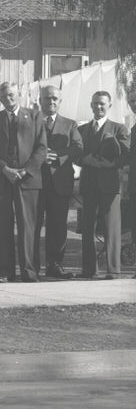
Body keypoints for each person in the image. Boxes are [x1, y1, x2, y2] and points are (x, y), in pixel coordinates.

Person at [0, 81, 44, 283]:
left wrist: (26, 170)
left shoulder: (34, 116)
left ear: (19, 95)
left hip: (27, 179)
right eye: (5, 96)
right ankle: (5, 272)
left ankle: (29, 271)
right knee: (4, 226)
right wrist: (4, 169)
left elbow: (41, 148)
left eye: (12, 95)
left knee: (28, 226)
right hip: (2, 179)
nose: (9, 99)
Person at [75, 90, 129, 280]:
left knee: (111, 228)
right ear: (91, 104)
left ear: (109, 106)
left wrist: (112, 164)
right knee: (87, 228)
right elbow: (76, 153)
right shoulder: (81, 130)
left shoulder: (118, 128)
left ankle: (113, 269)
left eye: (102, 104)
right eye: (95, 103)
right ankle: (89, 269)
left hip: (109, 185)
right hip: (89, 183)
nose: (98, 107)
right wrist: (85, 159)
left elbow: (126, 153)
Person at [33, 85, 79, 278]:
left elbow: (78, 149)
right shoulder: (30, 122)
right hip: (34, 183)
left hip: (59, 183)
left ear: (60, 102)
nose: (51, 102)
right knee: (33, 226)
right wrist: (39, 157)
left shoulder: (70, 125)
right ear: (39, 101)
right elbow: (21, 146)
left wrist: (57, 156)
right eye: (46, 98)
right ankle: (31, 266)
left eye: (54, 99)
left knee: (58, 226)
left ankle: (55, 265)